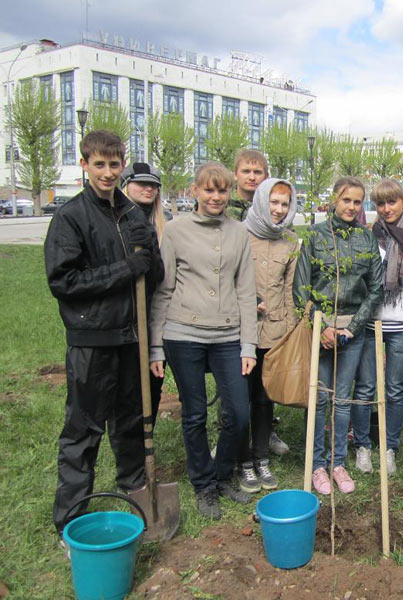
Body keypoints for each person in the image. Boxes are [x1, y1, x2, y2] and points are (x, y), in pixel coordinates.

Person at [44, 130, 163, 535]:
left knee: (130, 420)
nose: (108, 173)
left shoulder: (132, 214)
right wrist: (124, 269)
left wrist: (149, 250)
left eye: (115, 165)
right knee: (84, 430)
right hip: (92, 340)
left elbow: (154, 275)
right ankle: (72, 517)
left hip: (133, 338)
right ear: (84, 165)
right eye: (100, 165)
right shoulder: (71, 217)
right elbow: (64, 281)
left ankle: (133, 485)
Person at [149, 161, 258, 520]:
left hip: (227, 335)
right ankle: (203, 485)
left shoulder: (239, 233)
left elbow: (245, 291)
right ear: (195, 191)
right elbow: (163, 291)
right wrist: (156, 346)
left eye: (222, 190)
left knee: (239, 414)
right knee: (194, 414)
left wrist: (248, 345)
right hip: (184, 334)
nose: (216, 197)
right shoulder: (177, 231)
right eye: (208, 190)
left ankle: (222, 473)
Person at [293, 176, 384, 495]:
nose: (351, 206)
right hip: (320, 330)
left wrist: (352, 327)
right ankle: (317, 464)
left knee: (343, 398)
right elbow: (302, 288)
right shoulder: (316, 237)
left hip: (352, 331)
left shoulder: (366, 239)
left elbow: (375, 289)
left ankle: (337, 462)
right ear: (334, 200)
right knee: (319, 397)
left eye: (358, 202)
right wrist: (321, 326)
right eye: (346, 200)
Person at [351, 179, 403, 476]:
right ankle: (362, 446)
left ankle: (389, 448)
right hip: (371, 324)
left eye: (392, 202)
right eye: (381, 203)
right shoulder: (368, 237)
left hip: (402, 327)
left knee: (395, 389)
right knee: (366, 386)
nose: (386, 209)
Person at [233, 178, 300, 493]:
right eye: (274, 203)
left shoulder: (290, 242)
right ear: (261, 202)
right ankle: (242, 460)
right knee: (239, 400)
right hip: (241, 331)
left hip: (273, 333)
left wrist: (288, 331)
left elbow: (288, 292)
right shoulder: (239, 236)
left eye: (285, 204)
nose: (279, 210)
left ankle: (261, 457)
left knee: (263, 399)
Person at [121, 162, 172, 425]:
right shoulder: (117, 222)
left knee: (153, 380)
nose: (148, 189)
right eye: (141, 183)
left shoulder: (164, 226)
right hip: (126, 315)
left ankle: (146, 434)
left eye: (152, 184)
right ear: (126, 185)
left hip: (158, 313)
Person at [229, 149, 268, 221]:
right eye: (246, 172)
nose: (252, 178)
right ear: (235, 174)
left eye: (257, 172)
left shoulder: (272, 207)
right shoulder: (222, 203)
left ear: (266, 177)